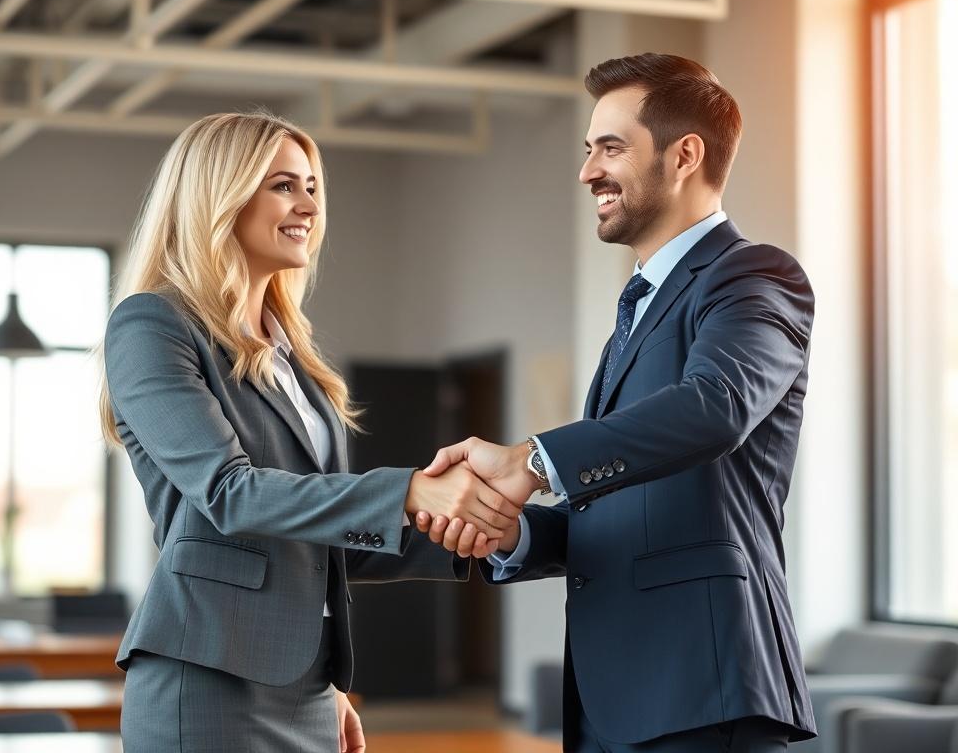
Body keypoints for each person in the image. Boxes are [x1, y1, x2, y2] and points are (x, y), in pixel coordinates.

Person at [419, 54, 818, 752]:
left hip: (701, 689)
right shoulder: (637, 313)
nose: (587, 172)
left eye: (610, 147)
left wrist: (532, 463)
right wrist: (511, 531)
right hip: (613, 699)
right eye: (588, 149)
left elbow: (715, 407)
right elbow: (621, 522)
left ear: (684, 155)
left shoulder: (755, 277)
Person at [99, 111, 518, 753]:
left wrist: (495, 534)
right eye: (283, 185)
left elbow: (324, 538)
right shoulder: (153, 324)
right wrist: (410, 491)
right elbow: (231, 494)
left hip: (307, 686)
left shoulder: (288, 351)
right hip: (208, 681)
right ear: (221, 194)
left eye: (313, 187)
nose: (308, 206)